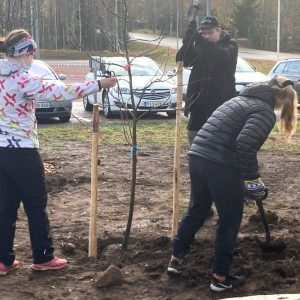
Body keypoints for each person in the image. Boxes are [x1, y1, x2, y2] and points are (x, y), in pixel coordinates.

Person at [0, 28, 117, 275]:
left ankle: (4, 260)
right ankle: (43, 257)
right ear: (26, 52)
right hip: (22, 150)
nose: (33, 58)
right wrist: (97, 84)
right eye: (32, 53)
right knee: (36, 204)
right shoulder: (22, 80)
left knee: (6, 205)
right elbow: (61, 91)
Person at [167, 76, 298, 292]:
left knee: (197, 209)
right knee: (229, 221)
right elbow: (245, 145)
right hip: (220, 164)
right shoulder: (264, 112)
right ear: (284, 101)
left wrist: (246, 180)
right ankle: (220, 278)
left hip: (198, 157)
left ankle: (175, 260)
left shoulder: (237, 100)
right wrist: (253, 181)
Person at [176, 16, 238, 145]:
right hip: (198, 100)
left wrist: (198, 39)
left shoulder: (230, 45)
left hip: (220, 102)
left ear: (219, 31)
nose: (207, 36)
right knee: (194, 135)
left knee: (217, 138)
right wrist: (187, 41)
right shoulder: (200, 46)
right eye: (203, 33)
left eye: (210, 33)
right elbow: (182, 59)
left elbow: (218, 56)